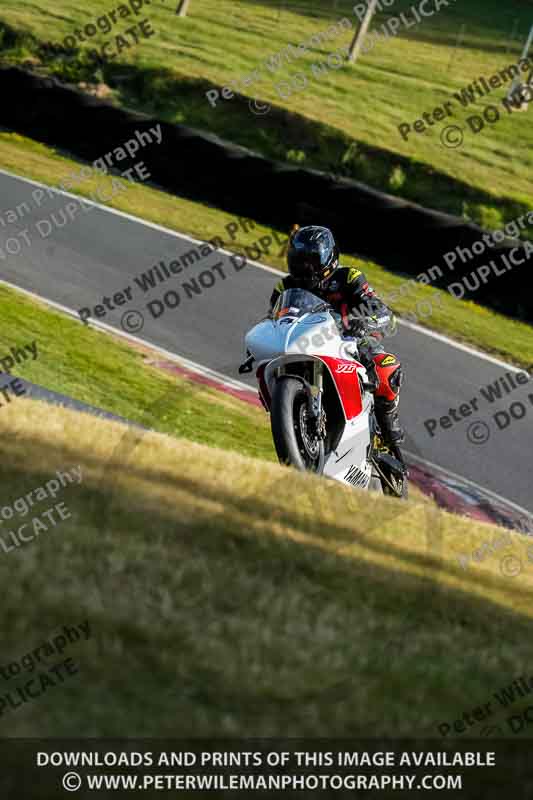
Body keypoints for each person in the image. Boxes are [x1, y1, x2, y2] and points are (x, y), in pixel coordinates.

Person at [269, 225, 404, 450]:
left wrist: (362, 319)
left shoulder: (348, 277)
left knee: (384, 367)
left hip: (348, 340)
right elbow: (273, 319)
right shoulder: (285, 286)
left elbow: (380, 308)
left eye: (311, 260)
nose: (305, 267)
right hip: (303, 342)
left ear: (328, 257)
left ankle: (389, 425)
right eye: (299, 260)